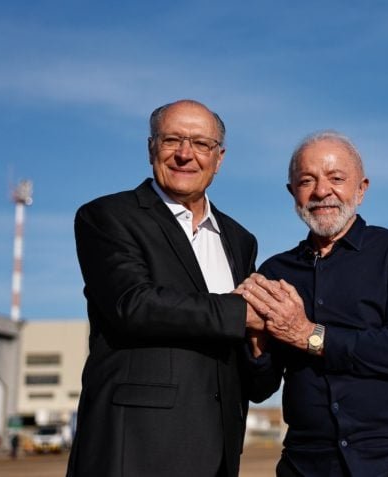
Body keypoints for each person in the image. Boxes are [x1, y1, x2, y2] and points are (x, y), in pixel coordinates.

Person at [66, 99, 279, 477]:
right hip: (135, 449)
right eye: (172, 140)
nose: (185, 154)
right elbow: (134, 305)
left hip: (218, 452)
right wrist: (243, 313)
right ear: (152, 148)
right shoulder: (107, 216)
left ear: (219, 158)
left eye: (201, 144)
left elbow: (245, 357)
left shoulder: (240, 239)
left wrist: (262, 349)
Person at [239, 131, 388, 476]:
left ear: (361, 189)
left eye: (336, 178)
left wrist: (308, 334)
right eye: (307, 181)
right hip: (308, 463)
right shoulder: (275, 272)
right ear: (293, 193)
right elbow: (260, 389)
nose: (322, 191)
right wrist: (257, 336)